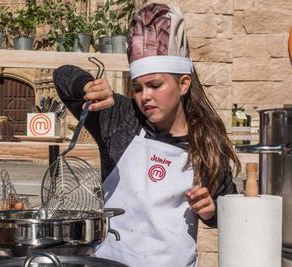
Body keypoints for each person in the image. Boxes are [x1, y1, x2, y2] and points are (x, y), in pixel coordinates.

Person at [53, 3, 240, 267]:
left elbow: (229, 213)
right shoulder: (120, 118)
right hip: (109, 263)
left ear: (183, 84)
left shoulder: (207, 143)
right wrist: (86, 86)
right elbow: (62, 75)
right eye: (138, 88)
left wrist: (212, 211)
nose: (145, 97)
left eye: (155, 85)